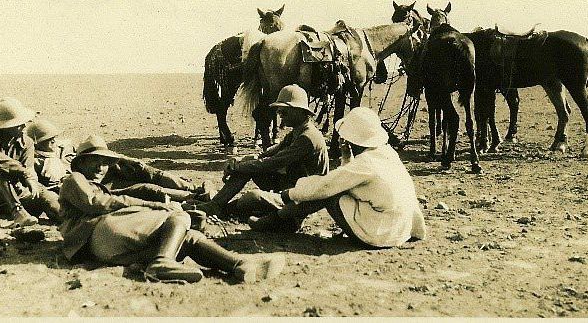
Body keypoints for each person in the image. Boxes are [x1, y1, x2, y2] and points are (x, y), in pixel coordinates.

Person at [58, 135, 286, 283]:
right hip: (94, 235)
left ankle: (239, 264)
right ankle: (161, 265)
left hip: (104, 246)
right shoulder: (74, 180)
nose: (101, 166)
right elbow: (99, 204)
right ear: (80, 163)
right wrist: (155, 205)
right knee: (176, 215)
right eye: (94, 161)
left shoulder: (98, 183)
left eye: (105, 161)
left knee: (186, 238)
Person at [249, 107, 427, 248]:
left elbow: (327, 186)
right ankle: (280, 218)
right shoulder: (386, 153)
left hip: (380, 234)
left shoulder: (365, 163)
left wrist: (288, 194)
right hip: (399, 228)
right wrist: (346, 155)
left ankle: (276, 220)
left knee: (328, 193)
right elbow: (350, 179)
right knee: (333, 188)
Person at [195, 84, 329, 217]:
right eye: (278, 111)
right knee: (248, 168)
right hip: (291, 185)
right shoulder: (296, 132)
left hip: (303, 197)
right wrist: (240, 161)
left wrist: (239, 167)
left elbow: (273, 162)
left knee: (252, 197)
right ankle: (216, 205)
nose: (280, 115)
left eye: (284, 111)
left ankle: (222, 207)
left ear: (299, 111)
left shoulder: (307, 138)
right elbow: (267, 154)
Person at [27, 118, 211, 203]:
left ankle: (192, 189)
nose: (53, 140)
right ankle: (195, 198)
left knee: (144, 171)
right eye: (47, 139)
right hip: (89, 185)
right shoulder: (35, 161)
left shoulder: (63, 148)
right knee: (145, 190)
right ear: (36, 142)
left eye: (53, 137)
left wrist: (121, 159)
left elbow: (85, 151)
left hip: (99, 170)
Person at [0, 98, 61, 226]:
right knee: (0, 169)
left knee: (47, 196)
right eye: (18, 124)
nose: (23, 127)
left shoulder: (26, 142)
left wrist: (33, 182)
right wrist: (23, 173)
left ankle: (66, 219)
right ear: (5, 127)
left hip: (17, 192)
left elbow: (30, 170)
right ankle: (18, 212)